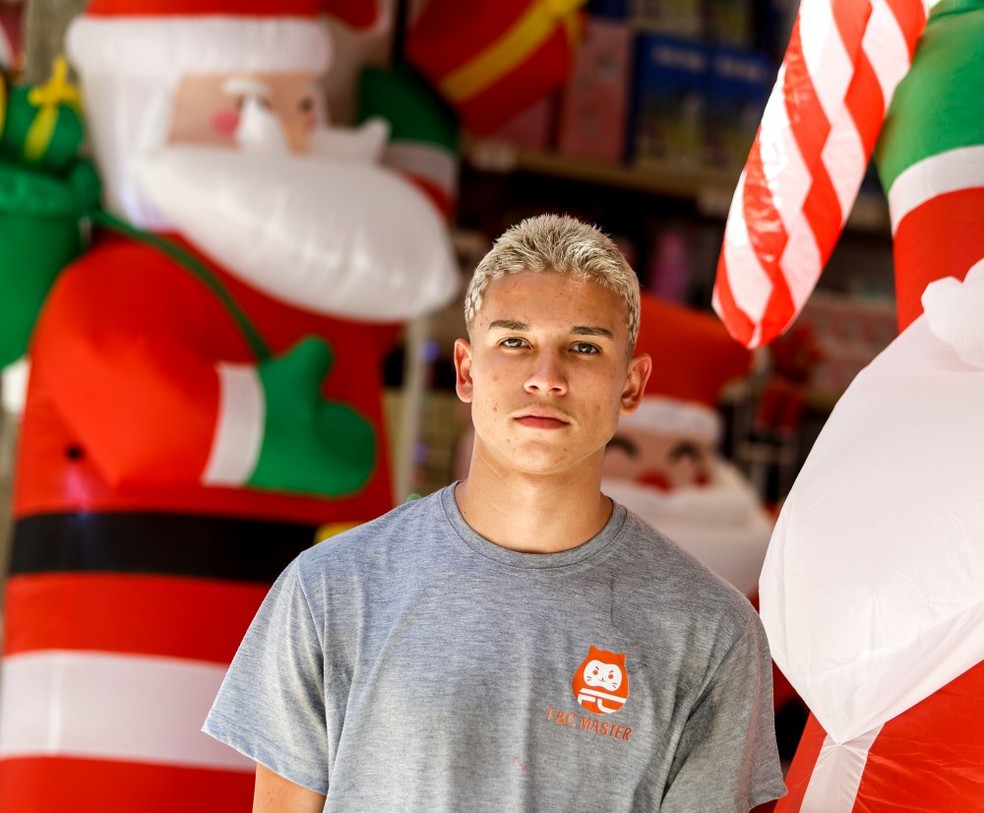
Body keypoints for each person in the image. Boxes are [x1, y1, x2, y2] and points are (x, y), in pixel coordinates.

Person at [203, 214, 787, 812]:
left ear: (632, 386)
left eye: (584, 347)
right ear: (465, 371)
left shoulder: (711, 632)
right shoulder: (331, 590)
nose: (546, 378)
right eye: (514, 342)